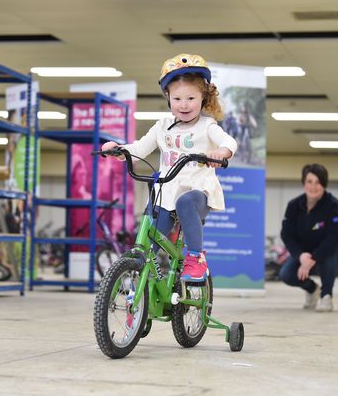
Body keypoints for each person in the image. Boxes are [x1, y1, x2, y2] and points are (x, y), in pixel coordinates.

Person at [101, 53, 237, 282]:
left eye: (191, 98)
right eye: (177, 99)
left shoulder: (207, 126)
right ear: (168, 97)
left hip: (197, 191)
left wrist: (220, 153)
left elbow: (228, 142)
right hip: (166, 192)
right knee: (149, 243)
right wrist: (119, 150)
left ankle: (195, 257)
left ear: (203, 98)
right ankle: (140, 286)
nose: (184, 105)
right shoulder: (162, 126)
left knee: (185, 202)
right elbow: (140, 148)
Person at [279, 164, 338, 312]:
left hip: (333, 250)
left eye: (318, 182)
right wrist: (300, 256)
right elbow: (286, 234)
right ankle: (312, 289)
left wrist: (313, 259)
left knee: (329, 256)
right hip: (304, 252)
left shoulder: (333, 206)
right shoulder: (293, 206)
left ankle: (326, 295)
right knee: (286, 274)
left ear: (324, 184)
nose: (313, 186)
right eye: (309, 181)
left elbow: (334, 238)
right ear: (304, 183)